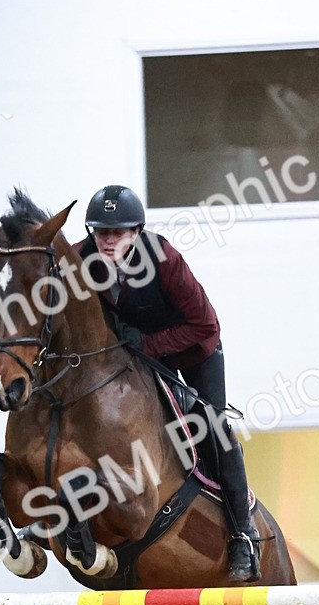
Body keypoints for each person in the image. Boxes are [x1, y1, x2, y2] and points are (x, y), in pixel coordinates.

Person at [76, 183, 260, 582]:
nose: (108, 241)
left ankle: (243, 535)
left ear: (137, 231)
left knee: (213, 427)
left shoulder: (164, 259)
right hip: (134, 360)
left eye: (118, 233)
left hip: (194, 353)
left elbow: (205, 325)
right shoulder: (81, 259)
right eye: (101, 232)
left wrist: (147, 343)